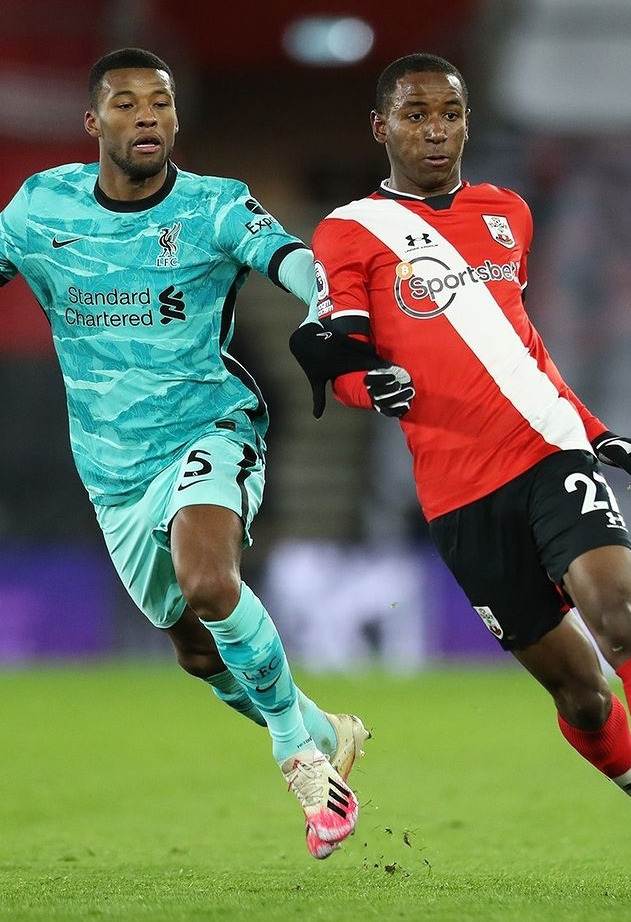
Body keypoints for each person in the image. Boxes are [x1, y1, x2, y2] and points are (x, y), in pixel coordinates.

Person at [291, 53, 631, 896]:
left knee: (620, 620)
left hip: (548, 454)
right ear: (381, 127)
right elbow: (343, 360)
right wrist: (365, 385)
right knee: (581, 694)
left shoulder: (507, 213)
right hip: (459, 496)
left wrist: (596, 432)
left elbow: (516, 346)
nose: (437, 131)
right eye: (416, 115)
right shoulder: (349, 231)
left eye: (451, 114)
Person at [0, 47, 369, 861]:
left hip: (211, 427)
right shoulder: (41, 208)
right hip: (111, 469)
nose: (147, 117)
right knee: (200, 653)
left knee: (209, 581)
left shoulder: (213, 206)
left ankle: (299, 760)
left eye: (160, 103)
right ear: (93, 121)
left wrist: (330, 305)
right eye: (127, 103)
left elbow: (290, 257)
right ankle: (324, 729)